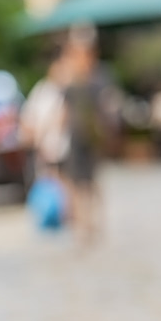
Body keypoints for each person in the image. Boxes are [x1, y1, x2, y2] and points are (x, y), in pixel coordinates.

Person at [60, 24, 107, 245]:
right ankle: (82, 224)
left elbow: (102, 110)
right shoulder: (70, 84)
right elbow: (64, 112)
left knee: (91, 182)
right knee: (77, 183)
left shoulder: (96, 82)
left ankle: (93, 223)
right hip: (76, 138)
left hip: (89, 138)